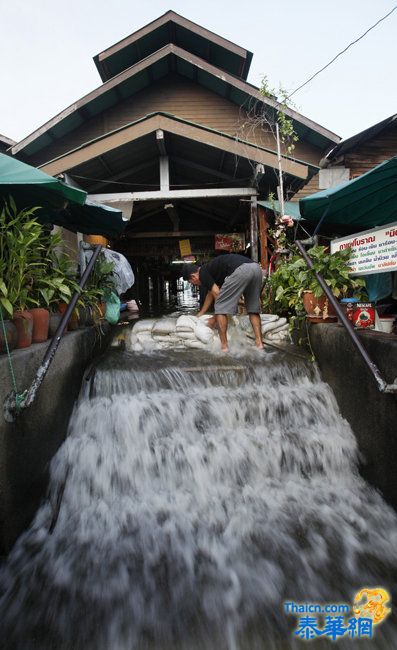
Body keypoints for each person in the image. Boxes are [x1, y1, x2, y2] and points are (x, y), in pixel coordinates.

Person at [182, 254, 264, 352]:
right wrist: (201, 313)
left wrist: (214, 318)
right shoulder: (211, 270)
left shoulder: (203, 272)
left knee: (220, 307)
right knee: (253, 309)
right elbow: (210, 294)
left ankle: (224, 347)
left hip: (242, 270)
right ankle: (259, 344)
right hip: (256, 269)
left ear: (193, 277)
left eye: (192, 282)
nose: (194, 284)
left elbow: (217, 294)